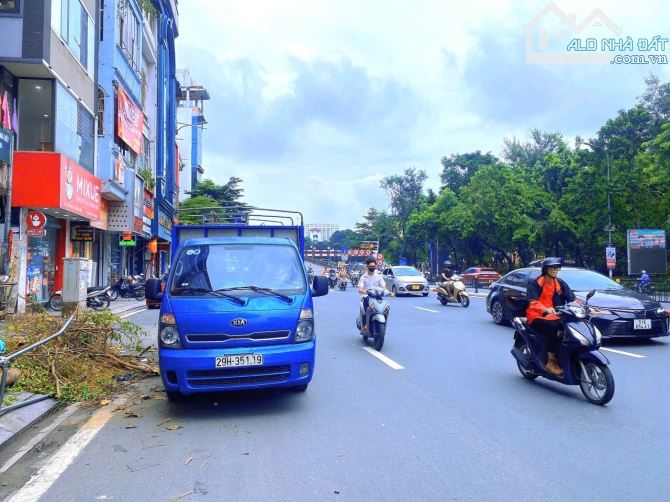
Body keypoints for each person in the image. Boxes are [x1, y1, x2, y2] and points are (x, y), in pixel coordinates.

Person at [526, 257, 576, 377]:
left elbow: (572, 298)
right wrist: (545, 309)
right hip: (537, 316)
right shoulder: (536, 283)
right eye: (552, 267)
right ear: (545, 269)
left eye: (556, 268)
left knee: (571, 326)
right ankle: (551, 361)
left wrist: (586, 308)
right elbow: (533, 302)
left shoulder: (560, 283)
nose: (555, 270)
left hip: (556, 315)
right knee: (554, 328)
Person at [357, 256, 393, 332]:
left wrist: (389, 292)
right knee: (367, 302)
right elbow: (360, 288)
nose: (372, 268)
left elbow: (383, 286)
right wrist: (364, 291)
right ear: (367, 266)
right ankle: (365, 324)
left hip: (377, 297)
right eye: (370, 266)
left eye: (374, 266)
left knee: (384, 306)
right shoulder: (363, 277)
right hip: (367, 297)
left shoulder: (379, 277)